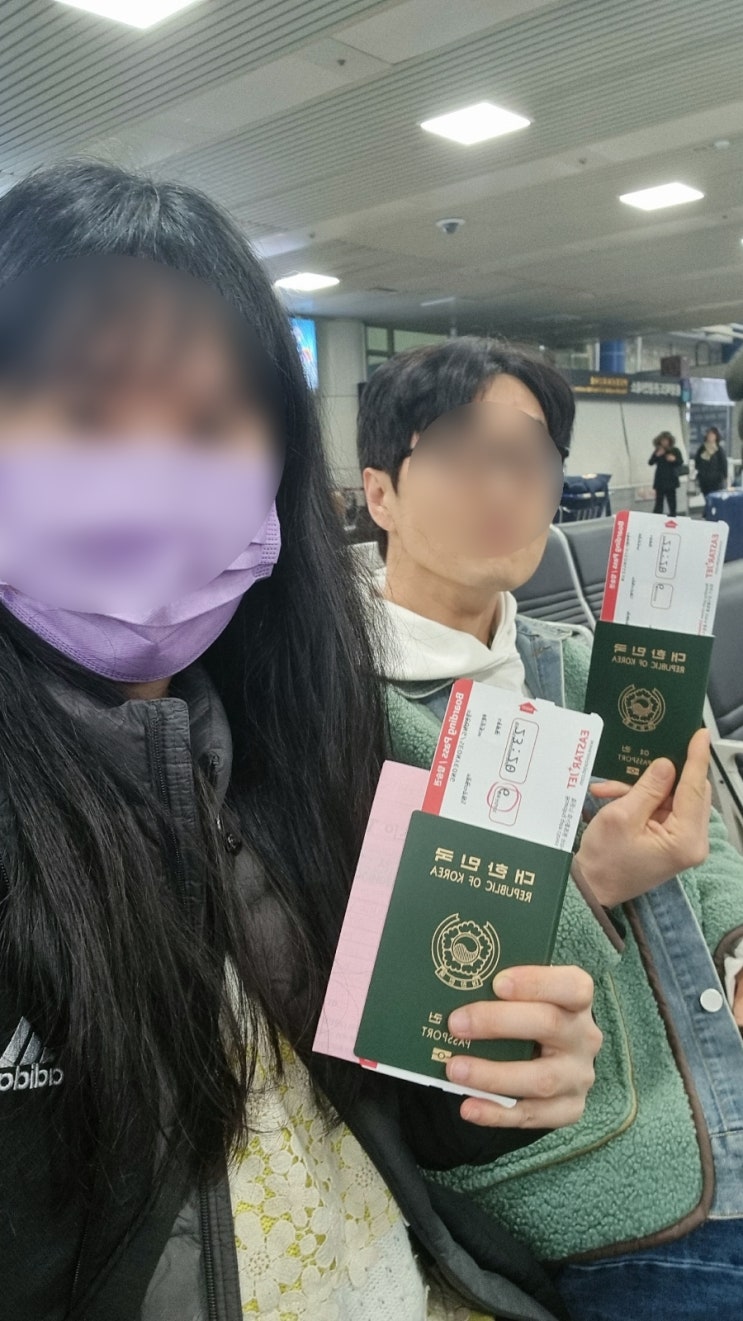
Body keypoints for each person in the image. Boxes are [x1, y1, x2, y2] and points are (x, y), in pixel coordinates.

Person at [0, 163, 608, 1321]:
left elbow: (394, 1118)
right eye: (83, 413)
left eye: (208, 425)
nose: (150, 474)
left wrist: (499, 1075)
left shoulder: (316, 749)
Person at [359, 337, 743, 1321]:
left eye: (529, 456)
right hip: (610, 1183)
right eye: (460, 450)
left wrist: (736, 943)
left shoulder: (586, 663)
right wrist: (588, 884)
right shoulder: (352, 717)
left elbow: (703, 844)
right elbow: (418, 1009)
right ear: (379, 492)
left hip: (724, 1102)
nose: (503, 484)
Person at [648, 430, 684, 515]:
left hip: (671, 479)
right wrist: (657, 455)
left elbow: (680, 462)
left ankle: (673, 516)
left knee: (672, 502)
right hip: (660, 480)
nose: (664, 442)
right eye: (662, 440)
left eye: (666, 440)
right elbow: (650, 462)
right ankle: (657, 517)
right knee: (659, 502)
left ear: (670, 441)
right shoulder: (658, 450)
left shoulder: (675, 450)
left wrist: (674, 459)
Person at [694, 426, 728, 498]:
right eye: (708, 434)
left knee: (715, 498)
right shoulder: (702, 449)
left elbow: (724, 464)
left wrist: (725, 477)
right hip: (704, 481)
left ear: (716, 437)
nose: (710, 436)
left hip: (716, 481)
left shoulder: (719, 449)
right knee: (706, 498)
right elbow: (697, 462)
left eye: (712, 435)